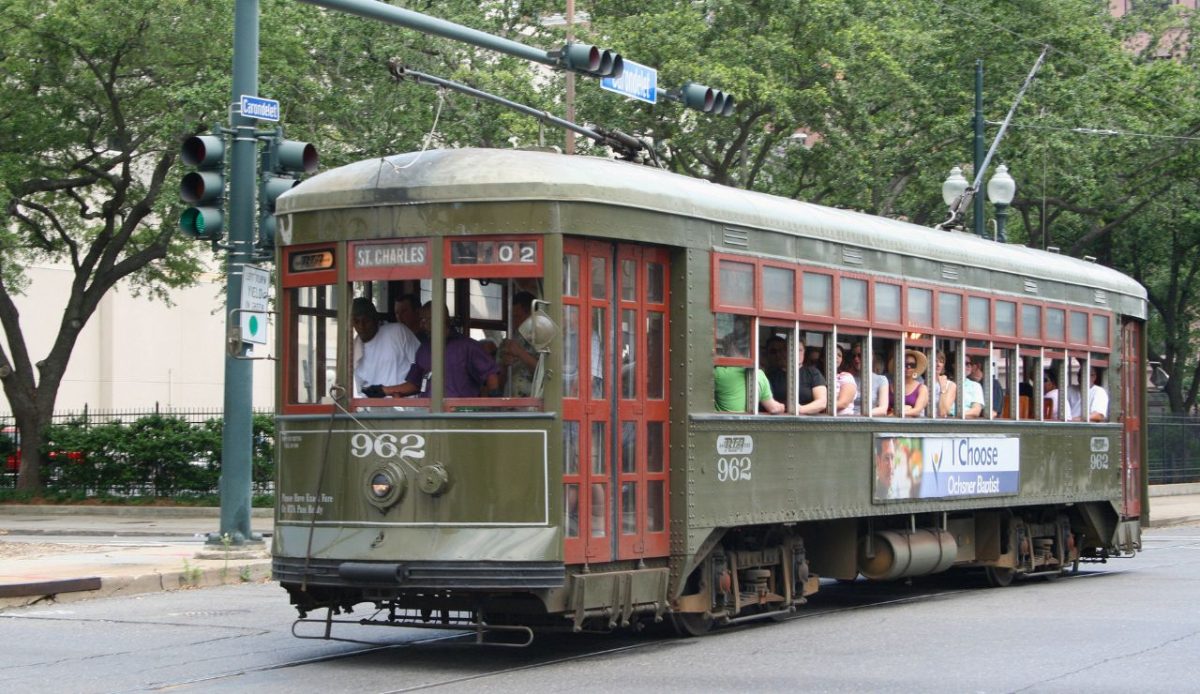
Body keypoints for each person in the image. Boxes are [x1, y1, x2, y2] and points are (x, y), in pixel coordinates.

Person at [383, 302, 501, 398]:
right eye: (421, 321)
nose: (421, 326)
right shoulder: (423, 349)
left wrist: (494, 405)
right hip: (428, 415)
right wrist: (386, 390)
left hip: (460, 416)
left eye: (425, 320)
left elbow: (491, 374)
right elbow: (415, 384)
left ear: (441, 319)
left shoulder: (468, 346)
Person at [351, 297, 420, 399]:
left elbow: (422, 370)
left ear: (375, 319)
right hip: (373, 411)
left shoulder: (398, 332)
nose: (362, 326)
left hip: (407, 409)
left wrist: (390, 391)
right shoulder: (353, 350)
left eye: (366, 321)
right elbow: (361, 389)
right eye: (357, 321)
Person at [714, 333, 784, 414]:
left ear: (731, 347)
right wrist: (783, 406)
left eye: (724, 346)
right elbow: (774, 408)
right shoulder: (760, 374)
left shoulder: (718, 373)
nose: (722, 349)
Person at [501, 291, 539, 396]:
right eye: (511, 317)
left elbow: (547, 374)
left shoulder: (545, 340)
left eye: (517, 316)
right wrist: (504, 366)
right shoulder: (507, 342)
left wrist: (520, 353)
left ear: (531, 315)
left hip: (533, 404)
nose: (513, 321)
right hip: (509, 400)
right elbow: (499, 381)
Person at [797, 340, 828, 415]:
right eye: (792, 349)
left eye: (800, 350)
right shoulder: (773, 374)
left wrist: (799, 409)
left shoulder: (813, 373)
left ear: (804, 352)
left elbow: (822, 402)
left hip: (807, 421)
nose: (796, 353)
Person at [902, 350, 929, 417]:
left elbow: (917, 411)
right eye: (905, 364)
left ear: (915, 368)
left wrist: (897, 413)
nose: (909, 367)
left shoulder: (922, 388)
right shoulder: (890, 386)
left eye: (912, 365)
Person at [763, 336, 790, 405]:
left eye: (781, 350)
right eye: (773, 352)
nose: (778, 355)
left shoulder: (794, 372)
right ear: (766, 354)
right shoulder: (763, 375)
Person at [833, 345, 857, 415]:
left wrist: (817, 407)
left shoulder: (846, 377)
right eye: (833, 353)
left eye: (839, 355)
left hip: (843, 420)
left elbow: (843, 403)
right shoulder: (816, 376)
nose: (836, 357)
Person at [932, 351, 957, 417]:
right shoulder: (921, 383)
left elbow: (943, 413)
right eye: (935, 361)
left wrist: (943, 388)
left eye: (941, 362)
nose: (938, 364)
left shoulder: (950, 385)